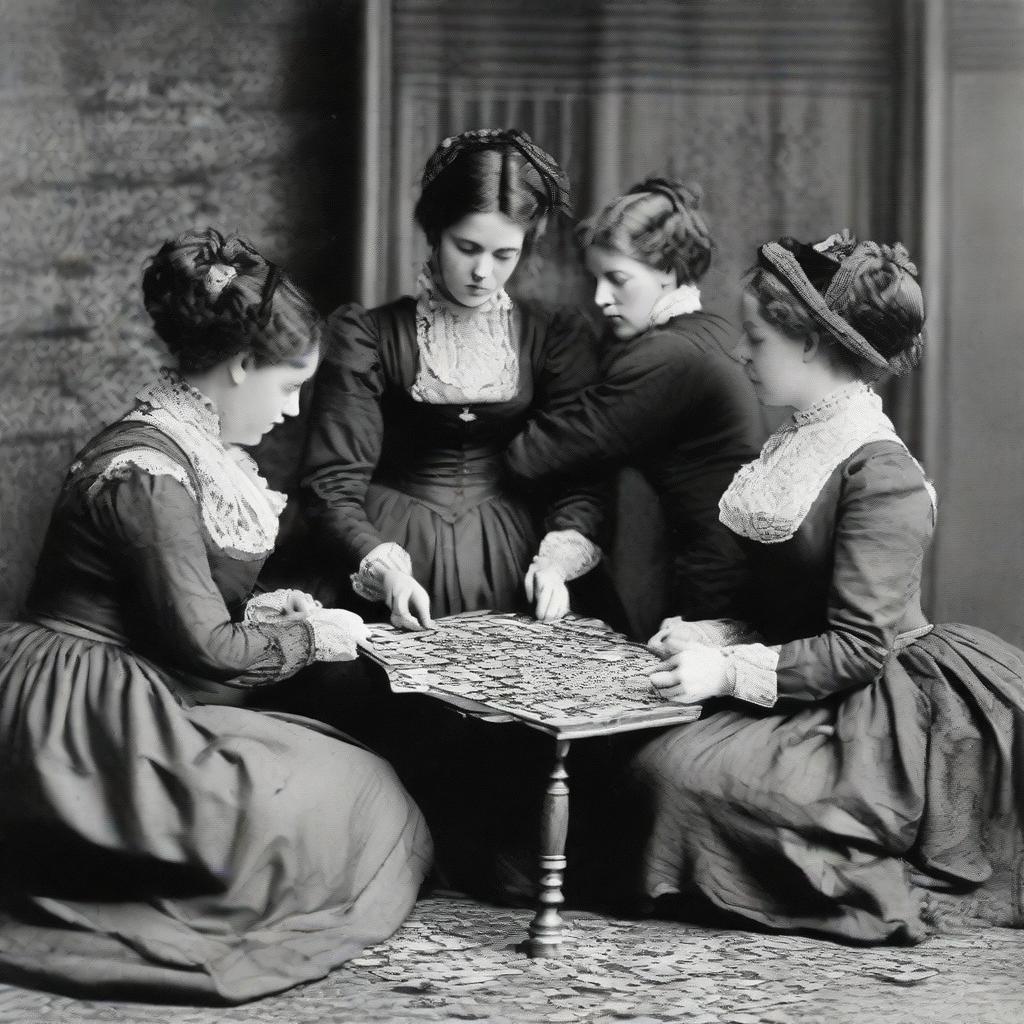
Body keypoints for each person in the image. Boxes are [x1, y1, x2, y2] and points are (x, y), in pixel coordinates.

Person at [0, 229, 432, 1003]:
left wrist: (265, 610)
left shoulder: (176, 443)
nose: (292, 408)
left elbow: (166, 599)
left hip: (113, 683)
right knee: (341, 798)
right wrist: (311, 636)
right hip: (73, 719)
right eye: (287, 386)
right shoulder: (149, 473)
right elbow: (203, 644)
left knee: (347, 780)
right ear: (239, 367)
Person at [624, 231, 1024, 942]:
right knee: (633, 750)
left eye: (755, 338)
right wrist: (716, 633)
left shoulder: (880, 472)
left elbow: (858, 647)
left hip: (882, 706)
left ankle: (876, 872)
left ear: (808, 343)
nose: (741, 354)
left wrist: (722, 668)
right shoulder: (799, 441)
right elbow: (786, 599)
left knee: (676, 775)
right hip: (805, 677)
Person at [301, 128, 605, 630]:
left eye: (503, 255)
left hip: (518, 554)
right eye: (467, 247)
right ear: (436, 231)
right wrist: (382, 567)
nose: (482, 271)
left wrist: (556, 563)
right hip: (394, 544)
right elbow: (332, 481)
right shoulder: (368, 335)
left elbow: (580, 476)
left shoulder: (556, 336)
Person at [504, 177, 763, 630]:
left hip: (713, 577)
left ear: (668, 270)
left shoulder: (666, 357)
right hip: (729, 562)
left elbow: (531, 456)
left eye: (618, 280)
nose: (601, 298)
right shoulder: (710, 330)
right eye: (596, 279)